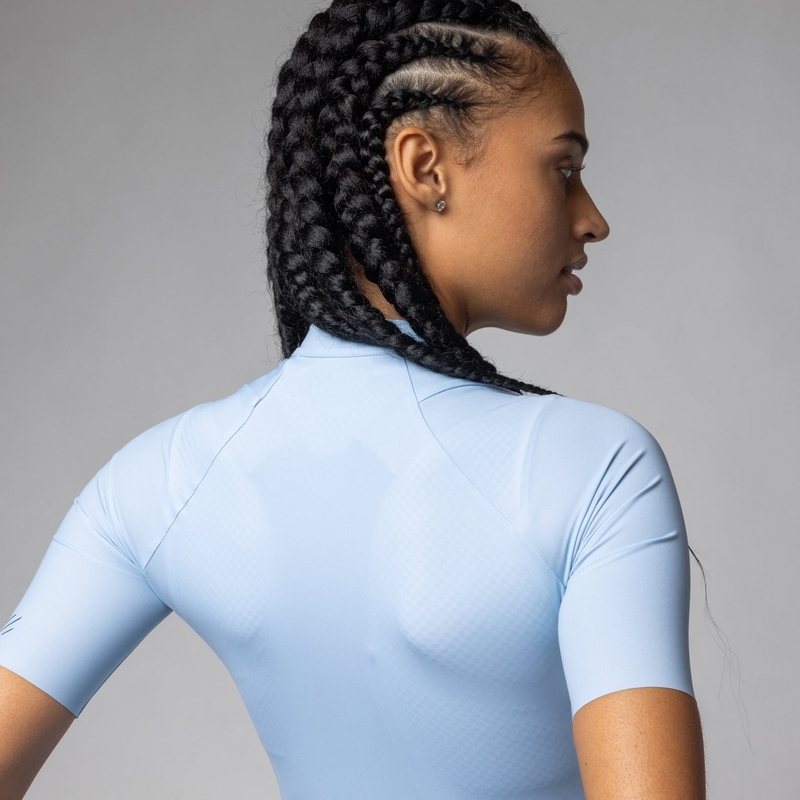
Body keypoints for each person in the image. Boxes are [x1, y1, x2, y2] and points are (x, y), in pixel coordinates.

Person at [0, 1, 707, 798]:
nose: (593, 219)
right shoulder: (594, 467)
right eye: (564, 168)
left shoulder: (160, 480)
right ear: (424, 166)